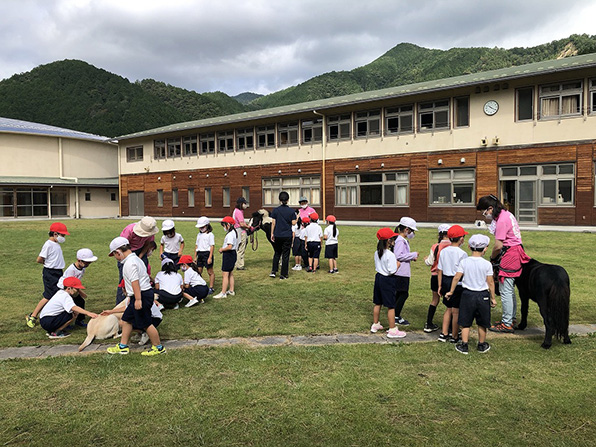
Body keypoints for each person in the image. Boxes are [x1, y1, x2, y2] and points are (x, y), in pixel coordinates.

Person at [477, 194, 531, 333]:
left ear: (490, 208)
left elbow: (498, 245)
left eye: (485, 212)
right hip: (515, 251)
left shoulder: (501, 220)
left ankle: (507, 323)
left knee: (505, 289)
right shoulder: (507, 214)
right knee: (509, 288)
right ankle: (510, 318)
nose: (485, 215)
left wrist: (492, 258)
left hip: (509, 253)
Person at [105, 236, 165, 356]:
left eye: (115, 255)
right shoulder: (137, 259)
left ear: (118, 252)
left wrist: (137, 299)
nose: (116, 258)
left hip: (141, 295)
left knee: (146, 323)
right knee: (126, 320)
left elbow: (135, 281)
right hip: (139, 294)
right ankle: (123, 346)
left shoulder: (129, 264)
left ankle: (158, 347)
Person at [445, 234, 496, 354]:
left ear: (469, 247)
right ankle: (482, 344)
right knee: (482, 322)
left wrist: (451, 291)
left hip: (467, 295)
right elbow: (491, 282)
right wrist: (493, 298)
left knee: (465, 322)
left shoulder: (464, 262)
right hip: (483, 295)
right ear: (485, 248)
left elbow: (457, 277)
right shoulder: (487, 264)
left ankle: (464, 345)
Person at [26, 222, 70, 328]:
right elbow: (39, 259)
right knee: (48, 295)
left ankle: (55, 315)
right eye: (62, 235)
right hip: (50, 272)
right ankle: (33, 316)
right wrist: (47, 264)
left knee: (57, 294)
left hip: (58, 272)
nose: (63, 238)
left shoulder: (56, 244)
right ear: (55, 234)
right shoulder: (48, 244)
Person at [371, 227, 406, 339]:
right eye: (392, 238)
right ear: (388, 241)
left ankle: (375, 324)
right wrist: (398, 264)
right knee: (391, 305)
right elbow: (392, 270)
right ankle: (392, 329)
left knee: (378, 302)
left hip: (379, 278)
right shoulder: (390, 255)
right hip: (388, 280)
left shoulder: (377, 252)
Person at [116, 216, 159, 303]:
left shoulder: (150, 232)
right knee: (124, 279)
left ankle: (143, 300)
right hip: (126, 252)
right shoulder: (129, 231)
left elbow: (147, 244)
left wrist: (139, 257)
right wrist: (130, 259)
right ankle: (121, 303)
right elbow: (121, 247)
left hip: (141, 251)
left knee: (143, 276)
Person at [437, 225, 468, 343]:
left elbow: (439, 269)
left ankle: (443, 333)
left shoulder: (444, 251)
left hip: (445, 280)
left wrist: (440, 285)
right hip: (457, 282)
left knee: (448, 308)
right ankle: (454, 335)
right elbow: (463, 272)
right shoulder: (462, 253)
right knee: (456, 311)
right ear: (461, 239)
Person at [56, 248, 98, 328]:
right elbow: (68, 283)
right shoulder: (71, 270)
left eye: (89, 263)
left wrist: (79, 292)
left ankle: (79, 320)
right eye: (86, 262)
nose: (88, 264)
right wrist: (76, 293)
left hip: (73, 288)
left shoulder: (82, 269)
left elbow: (76, 282)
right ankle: (65, 322)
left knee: (80, 302)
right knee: (68, 306)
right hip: (65, 289)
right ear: (79, 260)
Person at [423, 224, 451, 333]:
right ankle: (450, 326)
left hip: (435, 276)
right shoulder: (453, 246)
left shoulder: (435, 246)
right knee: (450, 303)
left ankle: (429, 323)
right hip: (448, 276)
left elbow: (430, 261)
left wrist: (426, 259)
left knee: (435, 300)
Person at [392, 217, 418, 326]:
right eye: (411, 231)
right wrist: (413, 255)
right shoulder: (400, 241)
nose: (412, 234)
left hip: (402, 271)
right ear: (406, 229)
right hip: (401, 272)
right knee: (403, 294)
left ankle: (394, 313)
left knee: (400, 293)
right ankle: (396, 316)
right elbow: (398, 256)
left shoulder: (401, 240)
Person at [270, 191, 295, 280]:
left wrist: (272, 233)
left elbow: (273, 223)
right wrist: (297, 217)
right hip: (287, 235)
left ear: (280, 200)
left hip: (278, 234)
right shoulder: (291, 211)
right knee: (285, 255)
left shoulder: (275, 210)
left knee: (277, 253)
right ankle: (283, 274)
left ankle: (273, 271)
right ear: (288, 200)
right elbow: (293, 223)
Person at [214, 216, 238, 298]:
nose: (223, 227)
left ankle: (223, 292)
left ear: (228, 225)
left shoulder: (230, 234)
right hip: (233, 254)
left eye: (224, 225)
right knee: (230, 273)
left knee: (225, 274)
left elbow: (229, 246)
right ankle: (231, 290)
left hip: (229, 254)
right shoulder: (234, 233)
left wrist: (222, 249)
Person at [195, 216, 215, 294]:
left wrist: (210, 257)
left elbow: (212, 246)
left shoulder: (210, 235)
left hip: (207, 254)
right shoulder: (199, 235)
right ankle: (200, 285)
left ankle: (211, 287)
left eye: (202, 227)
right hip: (200, 254)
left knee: (210, 271)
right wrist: (195, 256)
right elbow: (196, 245)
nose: (201, 229)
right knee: (198, 271)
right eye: (199, 227)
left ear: (207, 226)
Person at [233, 197, 250, 270]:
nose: (245, 205)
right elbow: (242, 224)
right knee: (241, 248)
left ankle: (237, 263)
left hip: (237, 231)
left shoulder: (236, 211)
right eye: (244, 203)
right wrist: (249, 227)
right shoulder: (239, 212)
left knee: (238, 248)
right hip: (241, 231)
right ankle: (240, 265)